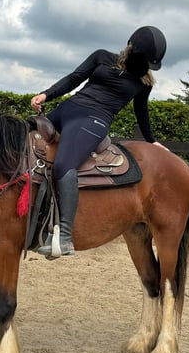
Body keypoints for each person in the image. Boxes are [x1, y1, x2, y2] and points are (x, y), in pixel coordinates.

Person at [30, 25, 168, 258]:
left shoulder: (144, 83)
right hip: (67, 109)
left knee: (64, 165)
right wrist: (46, 94)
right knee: (25, 138)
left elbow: (141, 113)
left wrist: (152, 141)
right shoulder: (102, 57)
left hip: (92, 121)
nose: (146, 66)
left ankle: (64, 237)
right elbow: (74, 78)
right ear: (131, 48)